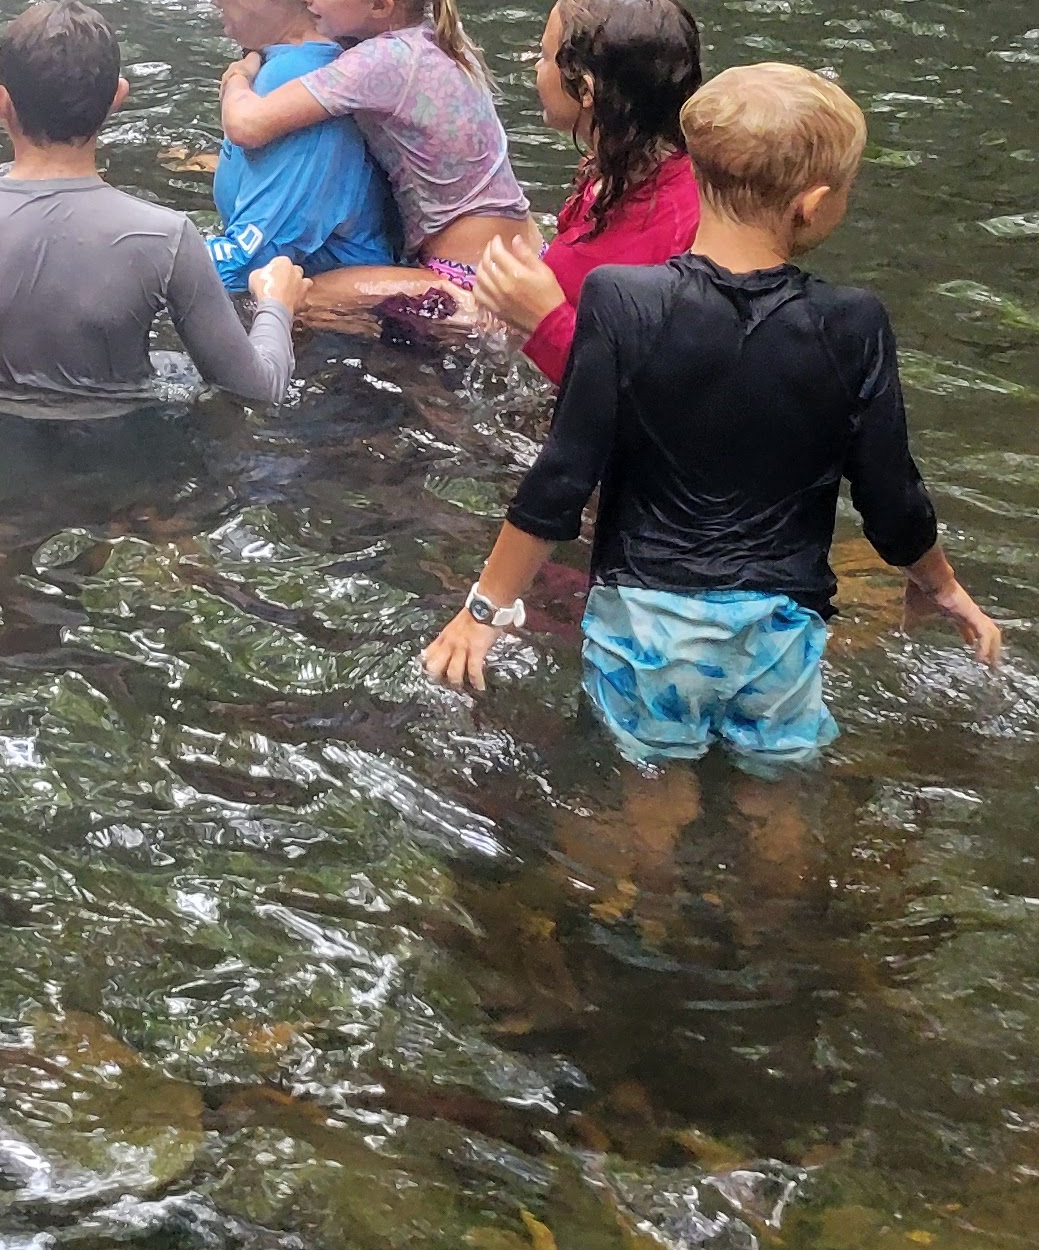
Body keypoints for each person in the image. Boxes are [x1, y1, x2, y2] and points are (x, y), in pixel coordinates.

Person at [420, 63, 1003, 765]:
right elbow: (890, 495)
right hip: (777, 631)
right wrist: (940, 586)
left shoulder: (622, 302)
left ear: (695, 174)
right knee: (776, 802)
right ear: (814, 204)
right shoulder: (853, 325)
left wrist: (482, 611)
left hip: (645, 623)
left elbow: (563, 477)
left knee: (647, 805)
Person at [0, 0, 310, 413]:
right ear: (117, 100)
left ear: (0, 103)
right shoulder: (167, 236)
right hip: (121, 462)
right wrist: (275, 306)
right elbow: (255, 391)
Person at [216, 0, 537, 330]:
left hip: (465, 275)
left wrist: (240, 74)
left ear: (380, 5)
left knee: (290, 298)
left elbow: (247, 125)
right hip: (519, 257)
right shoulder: (438, 35)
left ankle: (468, 313)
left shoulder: (381, 62)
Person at [470, 0, 707, 384]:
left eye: (544, 56)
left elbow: (652, 395)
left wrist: (544, 320)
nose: (533, 66)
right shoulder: (612, 171)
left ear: (586, 89)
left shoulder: (683, 225)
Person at [195, 0, 403, 291]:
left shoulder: (297, 83)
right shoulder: (285, 65)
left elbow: (246, 265)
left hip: (344, 346)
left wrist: (127, 257)